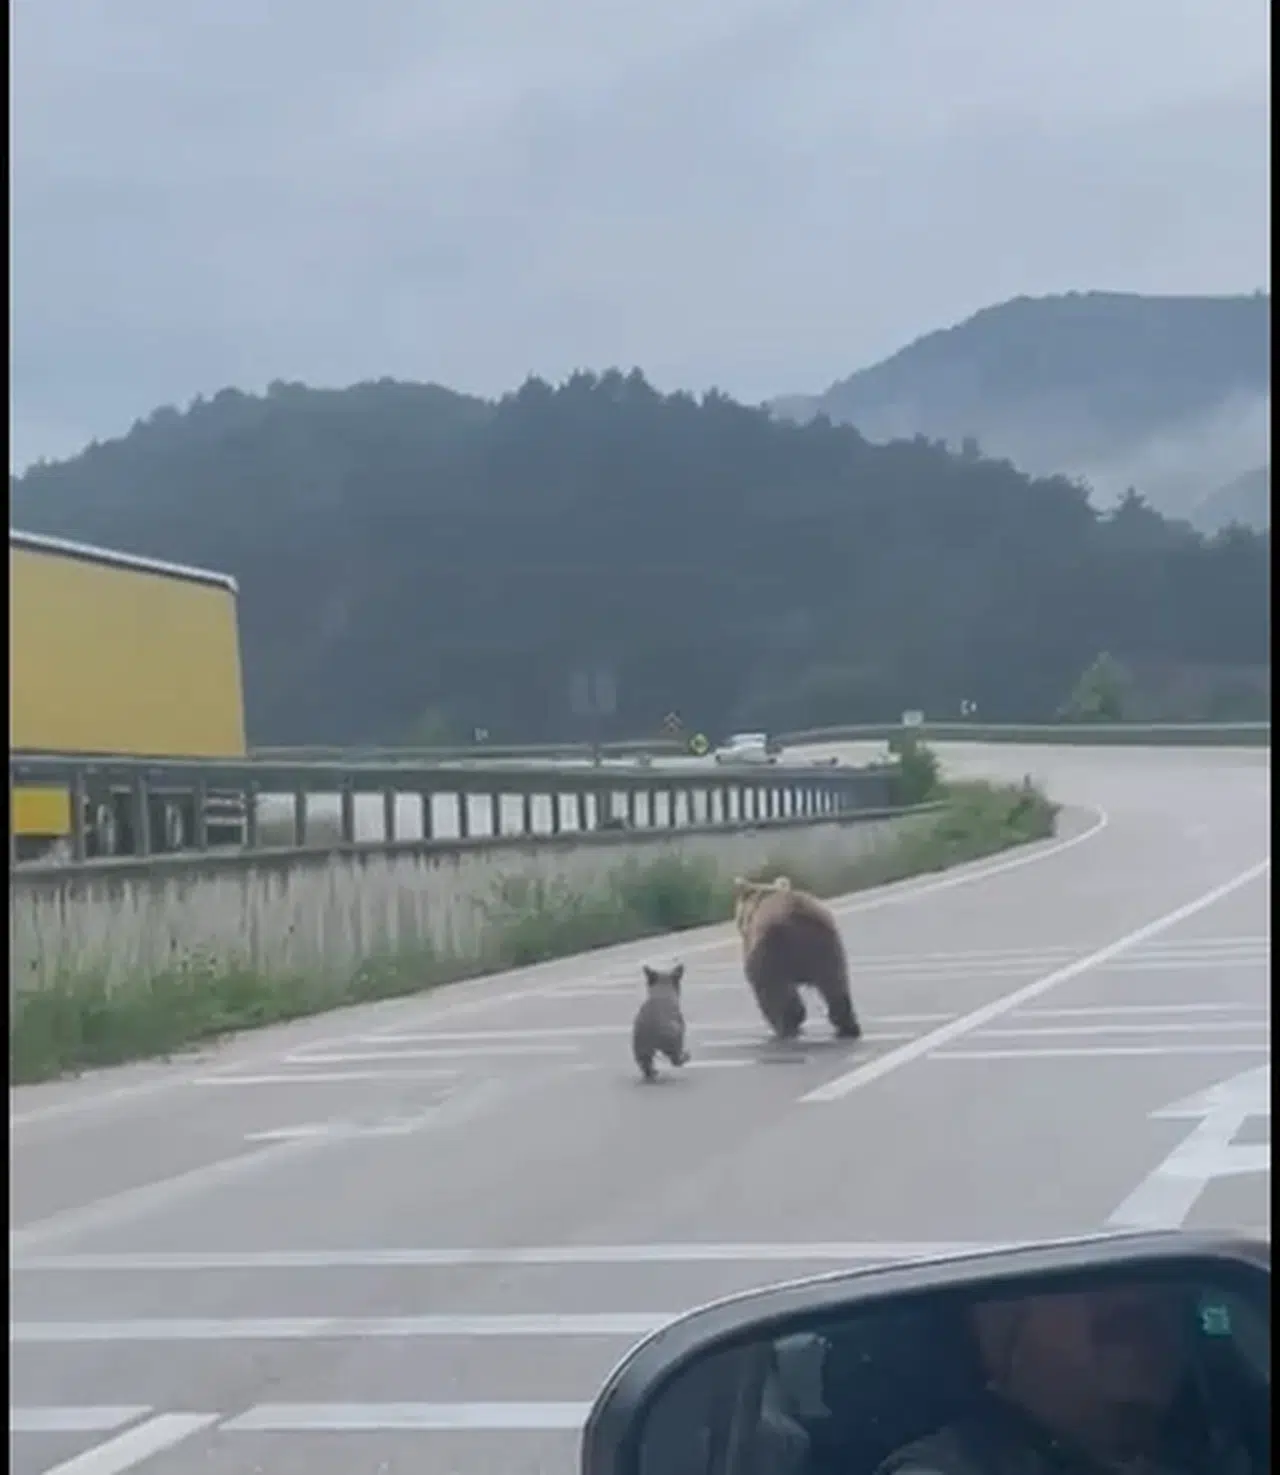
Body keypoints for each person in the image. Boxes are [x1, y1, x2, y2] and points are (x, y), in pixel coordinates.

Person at [874, 1283, 1252, 1474]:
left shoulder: (1225, 1440)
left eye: (1156, 1315)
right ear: (999, 1351)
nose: (1144, 1347)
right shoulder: (951, 1467)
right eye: (1116, 1329)